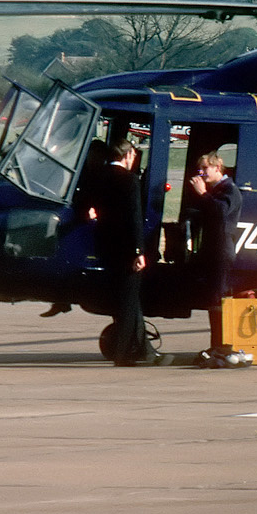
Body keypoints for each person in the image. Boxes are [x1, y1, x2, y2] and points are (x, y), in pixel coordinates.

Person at [91, 137, 154, 365]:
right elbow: (134, 219)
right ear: (128, 155)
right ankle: (124, 353)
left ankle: (143, 348)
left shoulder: (100, 178)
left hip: (106, 247)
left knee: (120, 299)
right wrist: (138, 250)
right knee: (129, 300)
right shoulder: (129, 181)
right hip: (127, 248)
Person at [186, 152, 244, 367]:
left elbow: (220, 213)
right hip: (212, 250)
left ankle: (222, 346)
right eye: (200, 169)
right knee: (213, 299)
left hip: (221, 251)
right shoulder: (217, 190)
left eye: (205, 169)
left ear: (218, 167)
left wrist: (202, 194)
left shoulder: (229, 190)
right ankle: (216, 344)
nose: (202, 173)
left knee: (219, 298)